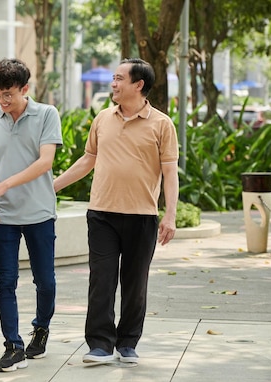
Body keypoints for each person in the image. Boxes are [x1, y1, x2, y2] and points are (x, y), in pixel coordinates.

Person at [54, 58, 179, 364]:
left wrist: (171, 214)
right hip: (102, 214)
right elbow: (87, 161)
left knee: (136, 283)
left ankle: (127, 343)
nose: (113, 83)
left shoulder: (162, 124)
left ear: (139, 85)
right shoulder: (103, 119)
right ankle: (99, 343)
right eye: (113, 78)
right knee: (102, 279)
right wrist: (50, 187)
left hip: (142, 216)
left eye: (120, 78)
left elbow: (170, 172)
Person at [0, 58, 62, 372]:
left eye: (8, 94)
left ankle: (41, 327)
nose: (2, 100)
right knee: (5, 282)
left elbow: (45, 162)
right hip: (4, 215)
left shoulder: (47, 114)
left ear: (25, 88)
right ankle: (13, 346)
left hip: (39, 211)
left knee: (45, 282)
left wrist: (3, 185)